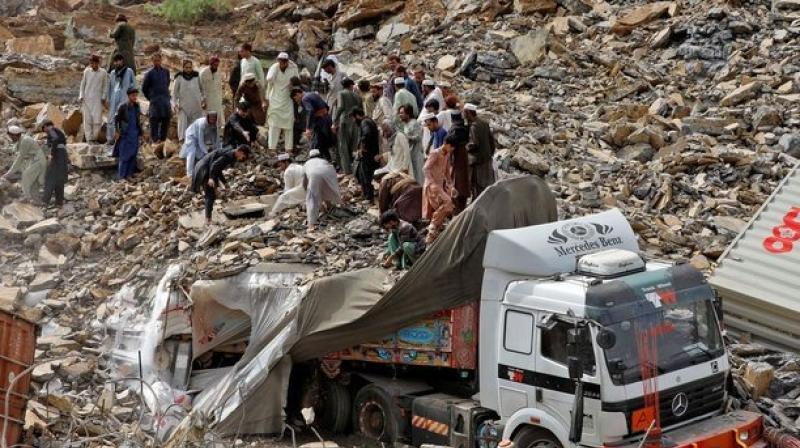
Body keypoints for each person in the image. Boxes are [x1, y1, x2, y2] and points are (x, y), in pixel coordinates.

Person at [192, 145, 251, 225]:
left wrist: (225, 183)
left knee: (212, 194)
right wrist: (211, 178)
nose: (242, 160)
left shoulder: (231, 154)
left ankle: (208, 218)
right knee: (210, 194)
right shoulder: (228, 155)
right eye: (243, 157)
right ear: (240, 152)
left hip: (206, 168)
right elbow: (214, 165)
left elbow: (218, 168)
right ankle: (207, 220)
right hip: (204, 169)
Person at [423, 135, 456, 245]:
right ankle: (432, 227)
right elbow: (426, 169)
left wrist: (451, 185)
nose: (452, 150)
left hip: (440, 186)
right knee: (448, 202)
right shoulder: (435, 153)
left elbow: (447, 171)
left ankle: (433, 233)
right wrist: (432, 183)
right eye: (451, 147)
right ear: (446, 144)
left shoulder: (446, 155)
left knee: (448, 206)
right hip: (432, 186)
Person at [266, 52, 300, 153]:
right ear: (278, 60)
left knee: (289, 125)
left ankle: (288, 149)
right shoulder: (274, 67)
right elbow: (269, 79)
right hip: (275, 99)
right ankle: (272, 148)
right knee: (274, 125)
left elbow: (297, 80)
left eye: (285, 61)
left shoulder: (293, 67)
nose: (283, 63)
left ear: (287, 61)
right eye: (281, 61)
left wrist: (292, 84)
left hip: (287, 99)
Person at [1, 126, 46, 200]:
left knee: (25, 176)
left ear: (15, 135)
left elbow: (19, 159)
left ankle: (27, 198)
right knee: (33, 181)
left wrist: (8, 174)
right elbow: (13, 149)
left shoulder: (25, 141)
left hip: (38, 160)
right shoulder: (20, 139)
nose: (11, 138)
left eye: (11, 136)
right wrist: (2, 150)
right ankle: (35, 199)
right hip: (33, 160)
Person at [464, 103, 497, 199]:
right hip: (487, 159)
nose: (463, 115)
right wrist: (490, 154)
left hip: (478, 162)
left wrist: (465, 148)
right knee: (487, 184)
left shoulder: (474, 126)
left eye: (464, 113)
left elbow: (474, 144)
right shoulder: (484, 123)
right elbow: (492, 141)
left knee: (478, 186)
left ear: (469, 113)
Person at [303, 149, 341, 230]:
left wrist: (307, 192)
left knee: (311, 199)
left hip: (314, 174)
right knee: (326, 188)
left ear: (310, 157)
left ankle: (311, 224)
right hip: (329, 171)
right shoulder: (324, 161)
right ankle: (329, 206)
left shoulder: (306, 164)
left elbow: (305, 182)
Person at [332, 78, 363, 174]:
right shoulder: (357, 96)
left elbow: (340, 107)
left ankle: (347, 171)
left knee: (343, 146)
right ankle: (355, 169)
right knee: (354, 146)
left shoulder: (341, 93)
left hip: (344, 121)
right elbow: (361, 110)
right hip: (355, 123)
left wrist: (334, 121)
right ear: (351, 85)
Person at [298, 88, 336, 162]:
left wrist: (308, 128)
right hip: (326, 119)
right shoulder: (313, 94)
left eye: (296, 99)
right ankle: (329, 160)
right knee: (324, 141)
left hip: (319, 122)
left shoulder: (305, 99)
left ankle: (317, 161)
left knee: (316, 143)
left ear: (298, 94)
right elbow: (326, 106)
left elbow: (310, 110)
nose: (297, 101)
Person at [141, 52, 171, 144]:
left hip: (165, 100)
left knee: (166, 120)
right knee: (154, 120)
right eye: (155, 61)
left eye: (158, 60)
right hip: (155, 101)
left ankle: (163, 140)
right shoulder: (149, 73)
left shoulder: (166, 72)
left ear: (161, 60)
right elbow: (144, 88)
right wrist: (150, 97)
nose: (157, 62)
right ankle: (155, 141)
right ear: (152, 61)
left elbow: (167, 83)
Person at [113, 87, 142, 180]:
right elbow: (116, 119)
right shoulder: (123, 106)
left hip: (134, 134)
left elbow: (138, 120)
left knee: (133, 155)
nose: (135, 97)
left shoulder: (136, 106)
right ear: (129, 96)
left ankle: (129, 175)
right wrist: (117, 131)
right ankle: (121, 177)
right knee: (124, 156)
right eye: (133, 96)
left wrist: (141, 132)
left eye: (136, 95)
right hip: (125, 134)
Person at [447, 101, 470, 213]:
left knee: (455, 181)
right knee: (464, 181)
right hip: (465, 158)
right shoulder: (465, 127)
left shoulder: (453, 129)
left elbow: (450, 146)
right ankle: (462, 206)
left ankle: (456, 209)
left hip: (456, 159)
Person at [107, 54, 135, 148]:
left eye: (119, 60)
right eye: (116, 61)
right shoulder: (112, 73)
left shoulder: (129, 71)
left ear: (122, 61)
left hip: (125, 98)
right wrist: (108, 99)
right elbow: (110, 87)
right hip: (114, 98)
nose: (118, 62)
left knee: (124, 119)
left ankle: (124, 139)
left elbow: (133, 85)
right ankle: (111, 139)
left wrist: (132, 99)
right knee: (111, 119)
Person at [180, 112, 221, 177]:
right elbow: (200, 141)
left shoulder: (214, 124)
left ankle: (198, 169)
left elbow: (215, 139)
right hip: (191, 135)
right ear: (208, 118)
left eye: (214, 119)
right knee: (192, 152)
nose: (213, 120)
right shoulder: (202, 124)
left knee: (200, 154)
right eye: (211, 119)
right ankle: (189, 173)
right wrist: (206, 153)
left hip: (201, 136)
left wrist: (218, 150)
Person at [79, 55, 108, 143]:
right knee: (87, 120)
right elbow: (82, 84)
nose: (93, 65)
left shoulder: (103, 72)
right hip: (87, 99)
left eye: (95, 63)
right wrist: (81, 96)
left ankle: (95, 138)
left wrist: (103, 97)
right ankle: (89, 139)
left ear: (98, 63)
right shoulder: (87, 71)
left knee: (97, 120)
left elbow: (105, 86)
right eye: (92, 63)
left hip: (98, 100)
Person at [172, 60, 204, 142]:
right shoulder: (179, 77)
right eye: (186, 67)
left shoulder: (197, 76)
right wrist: (175, 104)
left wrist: (204, 100)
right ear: (183, 67)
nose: (188, 69)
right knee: (183, 128)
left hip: (196, 106)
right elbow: (174, 93)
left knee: (195, 128)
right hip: (183, 107)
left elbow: (202, 90)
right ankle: (182, 144)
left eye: (190, 67)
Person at [40, 120, 68, 210]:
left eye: (43, 128)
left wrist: (52, 154)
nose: (44, 131)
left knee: (50, 177)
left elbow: (55, 140)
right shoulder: (58, 132)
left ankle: (45, 202)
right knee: (59, 178)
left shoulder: (51, 130)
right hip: (62, 155)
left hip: (57, 154)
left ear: (46, 126)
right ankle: (59, 203)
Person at [352, 108, 379, 201]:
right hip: (371, 153)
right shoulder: (368, 121)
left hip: (368, 154)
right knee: (364, 175)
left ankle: (368, 197)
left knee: (365, 175)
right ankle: (366, 195)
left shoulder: (365, 122)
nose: (353, 121)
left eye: (353, 118)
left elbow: (367, 134)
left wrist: (362, 147)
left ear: (357, 116)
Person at [397, 105, 424, 184]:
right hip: (410, 154)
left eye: (402, 113)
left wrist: (406, 137)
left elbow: (418, 137)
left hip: (416, 154)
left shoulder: (414, 123)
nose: (400, 115)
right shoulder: (405, 124)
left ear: (408, 114)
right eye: (399, 113)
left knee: (418, 176)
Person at [199, 55, 224, 131]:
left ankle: (217, 136)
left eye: (217, 65)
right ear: (210, 64)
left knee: (218, 119)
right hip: (207, 100)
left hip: (217, 100)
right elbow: (200, 88)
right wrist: (202, 100)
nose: (216, 67)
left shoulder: (218, 73)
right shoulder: (203, 73)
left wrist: (220, 99)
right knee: (206, 119)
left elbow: (219, 87)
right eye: (214, 65)